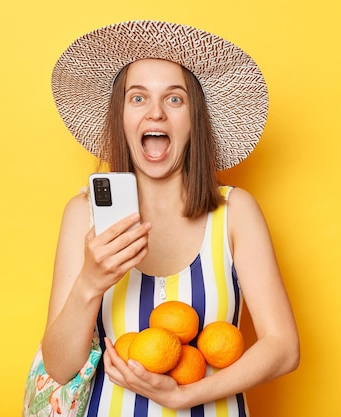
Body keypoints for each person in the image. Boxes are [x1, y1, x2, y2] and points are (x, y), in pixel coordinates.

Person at [39, 20, 299, 416]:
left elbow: (283, 347)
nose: (156, 113)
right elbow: (59, 367)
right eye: (138, 98)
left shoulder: (235, 213)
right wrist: (89, 283)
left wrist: (186, 396)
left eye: (174, 100)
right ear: (121, 117)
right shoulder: (83, 215)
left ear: (194, 118)